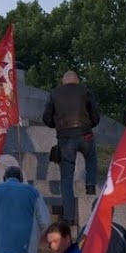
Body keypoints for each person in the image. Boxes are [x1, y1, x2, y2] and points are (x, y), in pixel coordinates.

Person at [41, 70, 101, 228]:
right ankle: (90, 186)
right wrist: (88, 126)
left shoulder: (54, 93)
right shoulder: (86, 91)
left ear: (63, 81)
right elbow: (95, 116)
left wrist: (58, 125)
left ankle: (69, 217)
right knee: (91, 157)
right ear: (78, 80)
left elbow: (46, 117)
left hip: (66, 138)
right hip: (85, 134)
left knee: (66, 178)